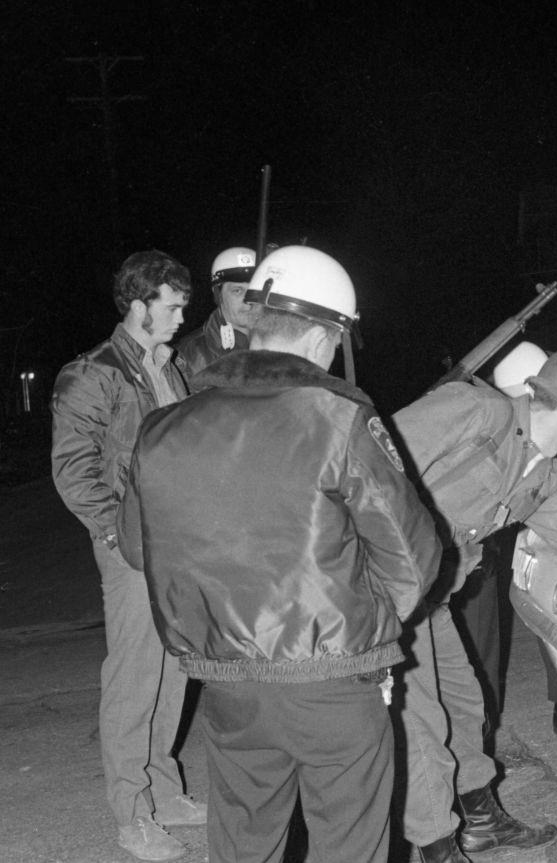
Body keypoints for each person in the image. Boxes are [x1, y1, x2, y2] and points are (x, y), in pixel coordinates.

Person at [116, 245, 442, 863]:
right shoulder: (338, 419)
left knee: (243, 845)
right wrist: (367, 631)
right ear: (324, 339)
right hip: (333, 676)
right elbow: (411, 557)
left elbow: (138, 548)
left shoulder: (161, 429)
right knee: (349, 843)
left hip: (227, 682)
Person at [391, 345, 557, 863]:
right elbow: (370, 461)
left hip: (431, 598)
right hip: (383, 588)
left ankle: (480, 821)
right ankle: (436, 846)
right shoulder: (474, 411)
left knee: (465, 704)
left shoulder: (547, 480)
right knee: (420, 723)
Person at [50, 250, 202, 862]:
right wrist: (117, 536)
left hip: (179, 540)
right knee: (135, 679)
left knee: (173, 673)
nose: (182, 315)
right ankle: (132, 816)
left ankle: (164, 795)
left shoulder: (166, 366)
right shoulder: (94, 373)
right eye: (172, 305)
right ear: (139, 306)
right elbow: (73, 469)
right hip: (134, 544)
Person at [453, 343, 557, 748]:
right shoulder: (474, 418)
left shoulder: (550, 462)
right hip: (438, 559)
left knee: (536, 612)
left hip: (502, 541)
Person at [175, 246, 258, 378]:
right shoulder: (191, 356)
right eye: (237, 291)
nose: (248, 300)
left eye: (254, 290)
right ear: (218, 296)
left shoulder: (280, 343)